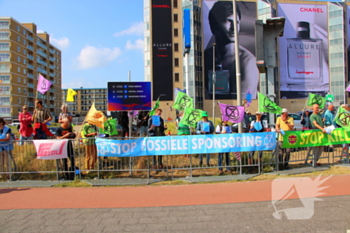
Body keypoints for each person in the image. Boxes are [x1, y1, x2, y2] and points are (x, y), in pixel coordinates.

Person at [204, 1, 258, 100]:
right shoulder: (205, 57)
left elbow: (246, 101)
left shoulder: (248, 61)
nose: (233, 28)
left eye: (237, 22)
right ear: (214, 26)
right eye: (228, 21)